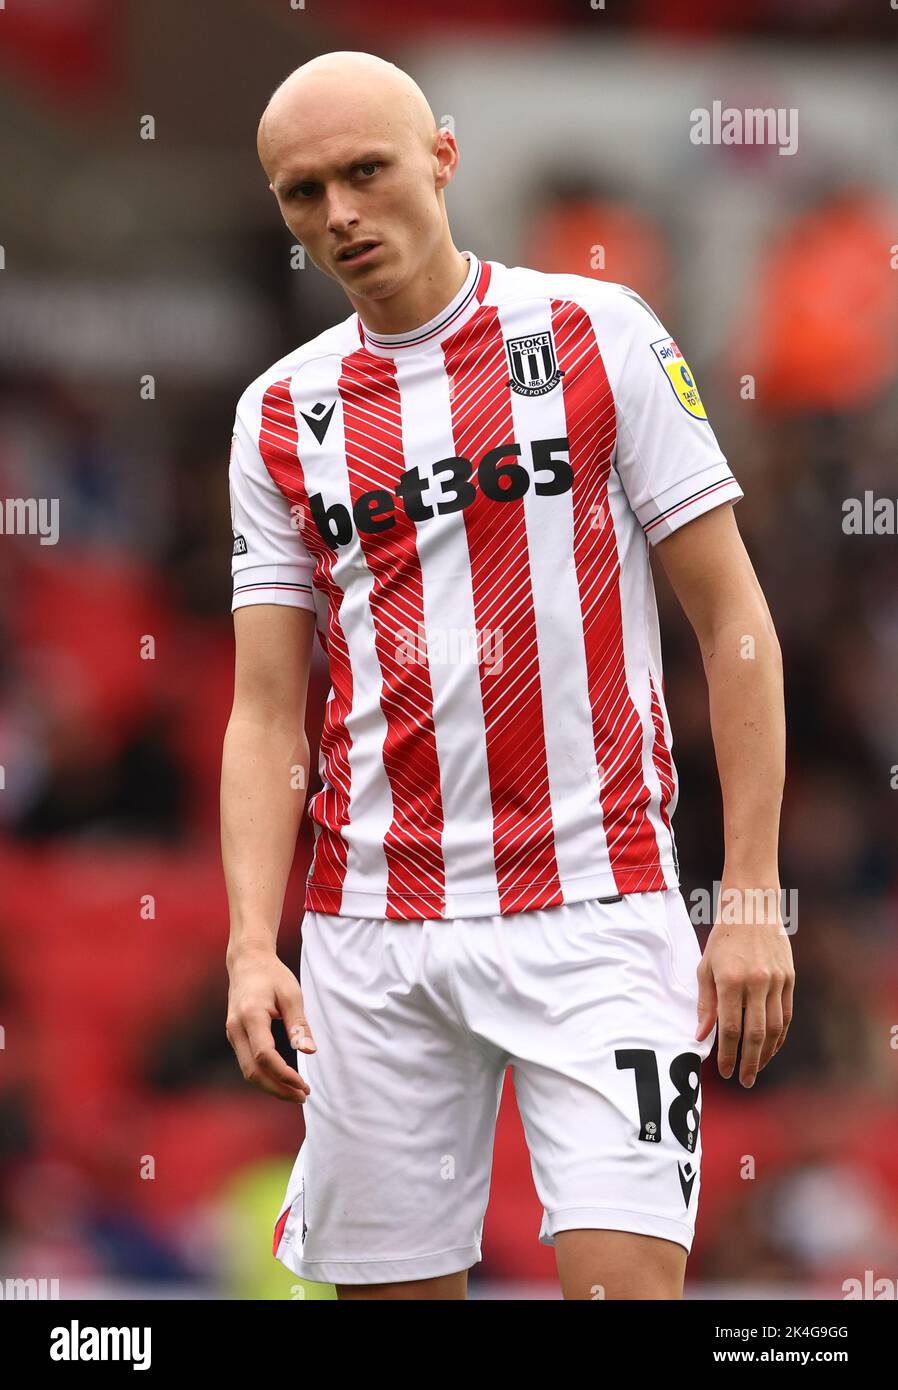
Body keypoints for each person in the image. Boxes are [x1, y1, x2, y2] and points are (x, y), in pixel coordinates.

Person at [221, 50, 793, 1301]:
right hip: (371, 932)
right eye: (301, 194)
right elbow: (269, 712)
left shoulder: (595, 333)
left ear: (443, 153)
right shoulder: (279, 414)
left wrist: (748, 887)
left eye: (364, 172)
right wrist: (246, 946)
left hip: (598, 904)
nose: (339, 217)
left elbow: (731, 612)